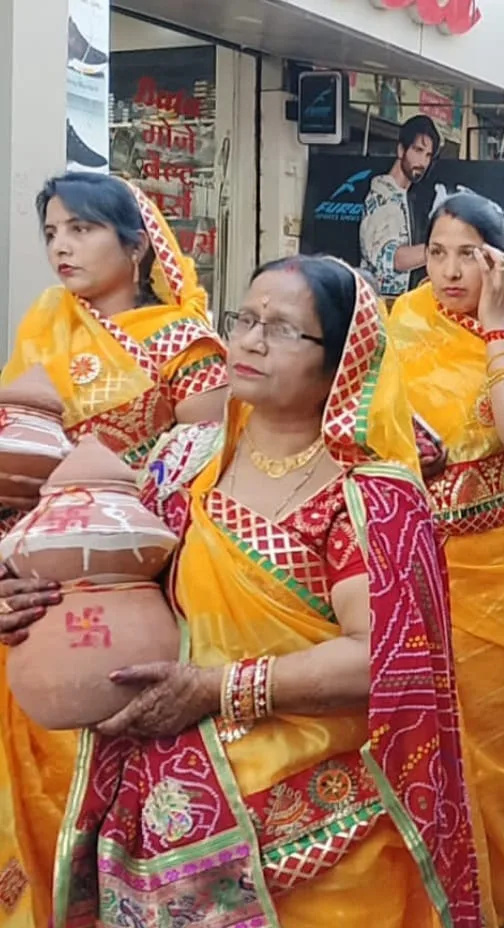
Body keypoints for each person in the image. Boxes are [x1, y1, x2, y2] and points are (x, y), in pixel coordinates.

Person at [44, 257, 481, 926]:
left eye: (280, 329)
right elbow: (108, 578)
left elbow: (381, 659)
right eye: (244, 319)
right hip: (172, 798)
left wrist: (216, 689)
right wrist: (30, 595)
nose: (246, 341)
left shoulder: (369, 498)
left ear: (341, 361)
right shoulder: (181, 462)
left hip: (324, 822)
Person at [0, 171, 227, 928]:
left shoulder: (185, 344)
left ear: (137, 243)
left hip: (142, 590)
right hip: (32, 593)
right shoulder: (44, 328)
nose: (62, 247)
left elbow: (207, 471)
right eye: (52, 233)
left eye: (83, 229)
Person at [388, 192, 504, 928]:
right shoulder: (401, 325)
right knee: (408, 742)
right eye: (436, 252)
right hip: (404, 569)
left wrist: (495, 330)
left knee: (491, 742)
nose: (450, 270)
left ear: (501, 260)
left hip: (493, 574)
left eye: (469, 254)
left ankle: (499, 903)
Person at [359, 115, 441, 300]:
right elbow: (393, 259)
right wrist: (441, 249)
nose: (423, 161)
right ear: (401, 150)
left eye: (428, 155)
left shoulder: (408, 198)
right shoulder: (383, 197)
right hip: (380, 308)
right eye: (418, 150)